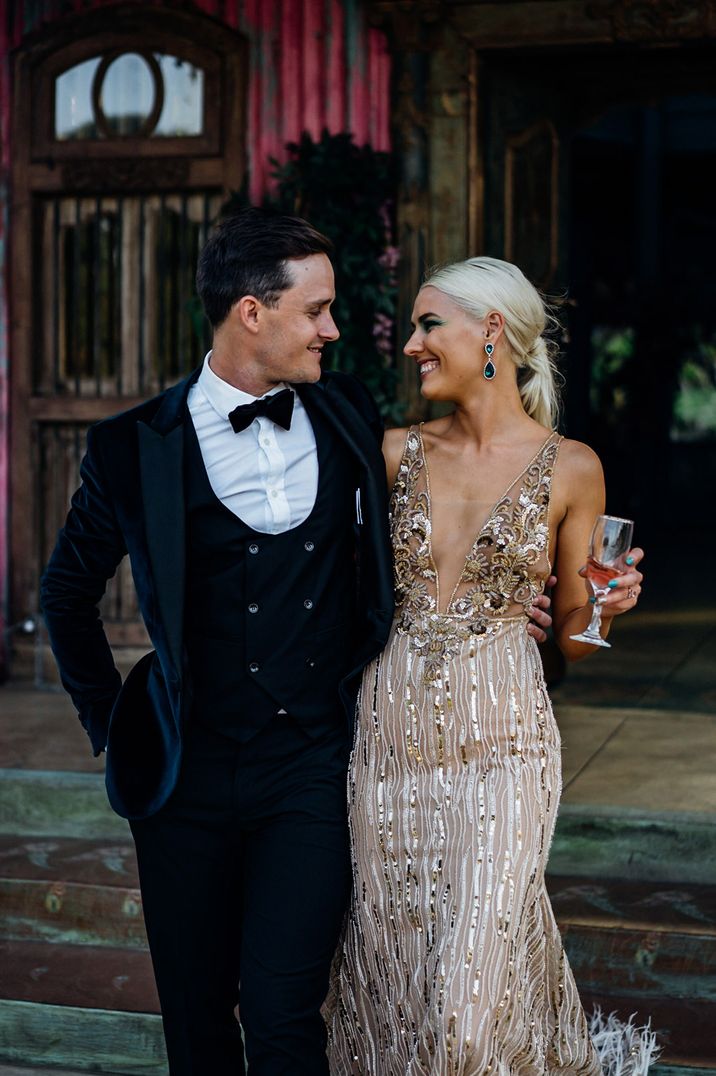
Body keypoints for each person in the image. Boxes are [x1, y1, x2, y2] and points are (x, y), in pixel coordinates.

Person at [39, 209, 555, 1075]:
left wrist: (525, 604)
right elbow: (66, 596)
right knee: (198, 1019)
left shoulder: (349, 417)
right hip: (183, 780)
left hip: (312, 768)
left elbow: (453, 523)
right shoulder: (133, 447)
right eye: (316, 311)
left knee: (285, 1010)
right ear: (253, 313)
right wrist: (112, 723)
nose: (334, 328)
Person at [326, 257, 646, 1074]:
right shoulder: (390, 452)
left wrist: (604, 606)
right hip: (388, 747)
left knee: (467, 1003)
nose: (411, 345)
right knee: (397, 976)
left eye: (430, 325)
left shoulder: (573, 466)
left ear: (491, 330)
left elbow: (575, 638)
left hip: (505, 747)